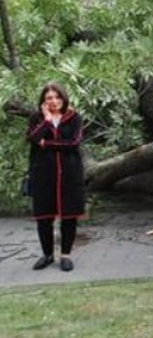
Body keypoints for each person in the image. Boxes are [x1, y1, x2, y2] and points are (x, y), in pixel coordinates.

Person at [26, 82, 85, 272]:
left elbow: (73, 144)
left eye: (57, 97)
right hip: (43, 174)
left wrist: (46, 144)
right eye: (49, 98)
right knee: (44, 217)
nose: (54, 101)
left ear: (64, 98)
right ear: (44, 101)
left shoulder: (74, 117)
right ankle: (47, 255)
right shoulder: (36, 117)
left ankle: (65, 256)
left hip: (69, 174)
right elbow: (34, 139)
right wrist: (47, 120)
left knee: (69, 217)